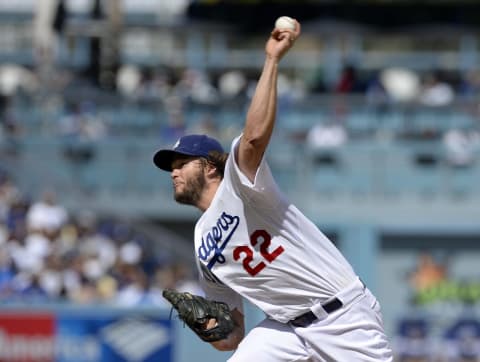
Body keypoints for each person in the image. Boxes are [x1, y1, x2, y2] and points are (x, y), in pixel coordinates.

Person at [153, 19, 393, 361]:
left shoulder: (241, 185)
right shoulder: (202, 240)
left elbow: (252, 139)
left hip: (341, 316)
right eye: (170, 166)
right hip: (283, 330)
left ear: (208, 165)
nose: (173, 171)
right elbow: (232, 336)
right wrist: (207, 327)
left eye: (181, 163)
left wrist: (272, 60)